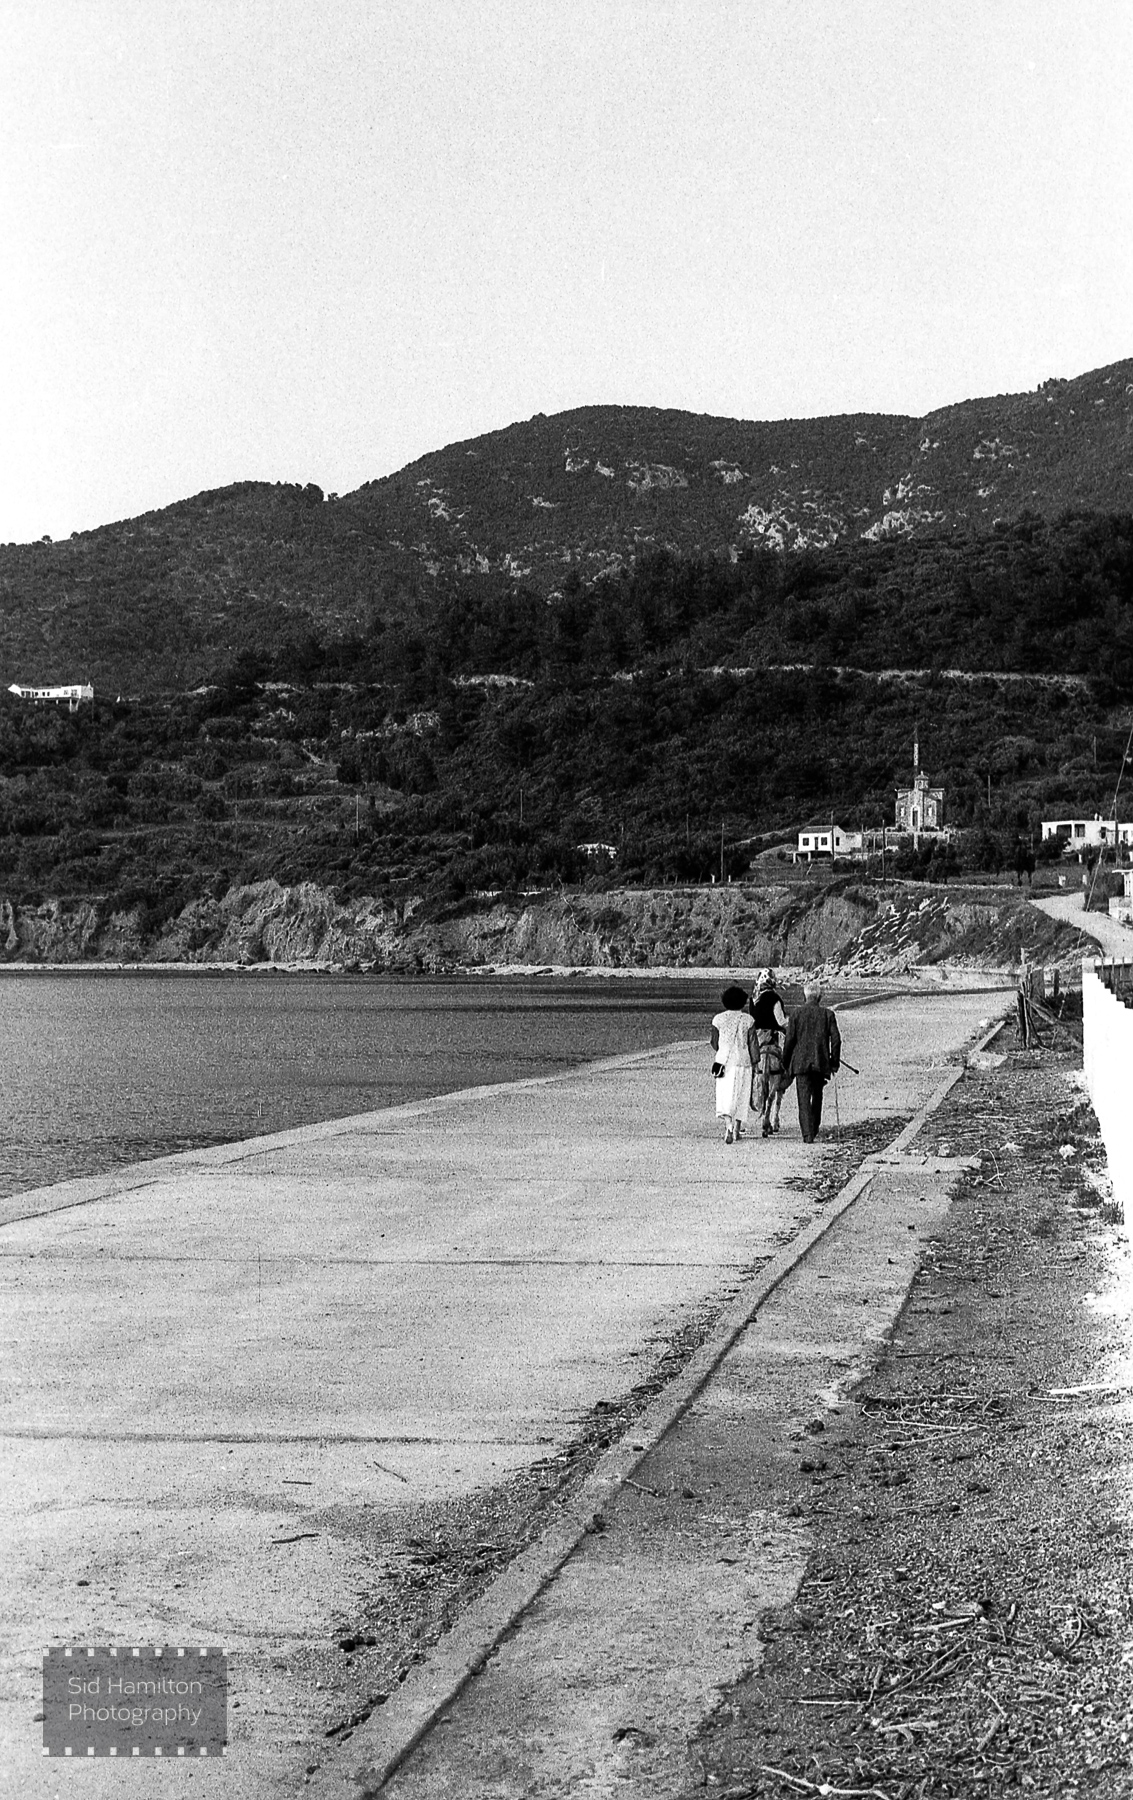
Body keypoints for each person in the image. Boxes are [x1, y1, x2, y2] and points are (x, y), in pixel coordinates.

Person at [782, 979, 841, 1143]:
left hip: (800, 1063)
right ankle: (814, 1128)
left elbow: (789, 1041)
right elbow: (836, 1040)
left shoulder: (796, 1014)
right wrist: (834, 1062)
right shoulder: (828, 1014)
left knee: (803, 1099)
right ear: (819, 997)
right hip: (820, 1062)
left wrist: (785, 1062)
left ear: (805, 996)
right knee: (817, 1096)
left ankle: (807, 1134)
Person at [710, 984, 755, 1145]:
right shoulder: (748, 1020)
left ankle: (728, 1125)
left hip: (723, 1062)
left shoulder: (718, 1019)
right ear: (743, 1001)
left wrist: (722, 1050)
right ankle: (737, 1128)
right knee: (742, 1095)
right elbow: (752, 1044)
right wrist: (756, 1063)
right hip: (743, 1061)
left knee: (725, 1095)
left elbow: (714, 1042)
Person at [747, 968, 789, 1137]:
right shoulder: (775, 998)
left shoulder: (753, 999)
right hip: (771, 1039)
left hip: (757, 1041)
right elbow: (781, 1021)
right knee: (785, 1068)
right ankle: (772, 1116)